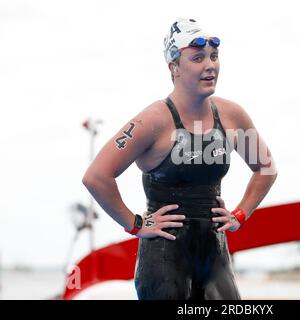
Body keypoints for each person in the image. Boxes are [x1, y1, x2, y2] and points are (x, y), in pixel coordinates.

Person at [82, 17, 278, 300]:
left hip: (214, 255)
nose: (210, 65)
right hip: (164, 258)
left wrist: (240, 214)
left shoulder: (231, 116)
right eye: (198, 58)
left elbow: (265, 169)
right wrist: (136, 223)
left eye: (213, 56)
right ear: (173, 67)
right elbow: (96, 176)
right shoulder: (153, 120)